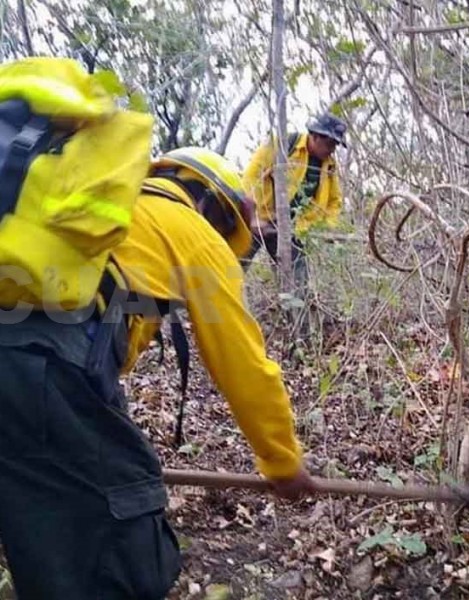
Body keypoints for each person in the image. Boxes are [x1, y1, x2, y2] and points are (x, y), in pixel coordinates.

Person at [0, 146, 315, 599]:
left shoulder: (105, 213)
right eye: (226, 228)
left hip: (35, 365)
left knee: (38, 504)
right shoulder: (193, 232)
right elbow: (244, 365)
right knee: (125, 538)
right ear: (210, 204)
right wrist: (284, 463)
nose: (222, 239)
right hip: (44, 366)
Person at [241, 112, 347, 284]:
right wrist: (255, 217)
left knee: (298, 284)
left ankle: (294, 311)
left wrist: (327, 226)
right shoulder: (282, 144)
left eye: (335, 144)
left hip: (293, 229)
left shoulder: (329, 166)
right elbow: (251, 178)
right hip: (259, 220)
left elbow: (335, 201)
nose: (332, 149)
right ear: (315, 136)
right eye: (330, 143)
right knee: (233, 267)